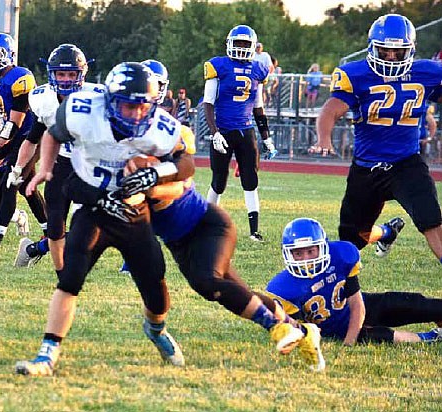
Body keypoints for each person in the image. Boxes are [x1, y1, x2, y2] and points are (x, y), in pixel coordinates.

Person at [15, 62, 191, 376]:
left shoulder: (161, 127)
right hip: (93, 208)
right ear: (109, 101)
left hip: (133, 212)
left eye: (142, 106)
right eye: (127, 105)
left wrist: (156, 173)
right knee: (69, 279)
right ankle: (47, 354)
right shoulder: (83, 110)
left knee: (156, 291)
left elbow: (184, 164)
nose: (135, 114)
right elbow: (54, 135)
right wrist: (44, 168)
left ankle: (156, 331)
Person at [122, 154, 325, 371]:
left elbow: (180, 182)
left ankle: (278, 327)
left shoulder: (160, 144)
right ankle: (303, 332)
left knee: (208, 283)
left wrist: (147, 186)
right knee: (238, 295)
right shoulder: (113, 161)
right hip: (179, 243)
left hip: (208, 226)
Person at [312, 14, 442, 263]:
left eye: (398, 51)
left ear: (410, 50)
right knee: (354, 239)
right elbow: (331, 109)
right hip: (367, 168)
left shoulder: (427, 72)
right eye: (385, 50)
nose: (391, 57)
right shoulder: (356, 74)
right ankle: (386, 232)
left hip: (406, 163)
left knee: (430, 217)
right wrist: (324, 138)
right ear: (373, 48)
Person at [266, 218, 442, 345]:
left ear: (323, 247)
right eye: (298, 253)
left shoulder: (342, 255)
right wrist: (348, 341)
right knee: (382, 336)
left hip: (358, 306)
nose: (306, 259)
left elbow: (357, 304)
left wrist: (350, 340)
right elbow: (302, 333)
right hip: (334, 329)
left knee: (408, 303)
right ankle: (431, 338)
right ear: (288, 254)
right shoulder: (283, 289)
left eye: (311, 251)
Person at [10, 44, 104, 271]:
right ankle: (61, 273)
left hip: (91, 166)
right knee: (55, 226)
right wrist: (18, 168)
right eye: (60, 74)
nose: (65, 79)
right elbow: (32, 139)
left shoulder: (98, 98)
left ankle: (34, 249)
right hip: (60, 165)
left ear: (82, 74)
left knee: (96, 228)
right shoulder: (44, 99)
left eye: (71, 74)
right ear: (51, 73)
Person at [203, 24, 277, 242]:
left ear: (253, 46)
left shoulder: (258, 69)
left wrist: (267, 138)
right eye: (238, 43)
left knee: (251, 180)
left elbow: (258, 107)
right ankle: (206, 225)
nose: (242, 47)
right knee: (219, 181)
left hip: (246, 131)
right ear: (229, 44)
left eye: (246, 44)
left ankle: (254, 231)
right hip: (223, 130)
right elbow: (208, 103)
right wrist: (214, 132)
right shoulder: (218, 66)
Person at [0, 32, 48, 246]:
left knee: (10, 179)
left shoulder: (20, 77)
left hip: (31, 136)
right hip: (9, 136)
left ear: (9, 55)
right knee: (27, 186)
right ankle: (51, 230)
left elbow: (14, 124)